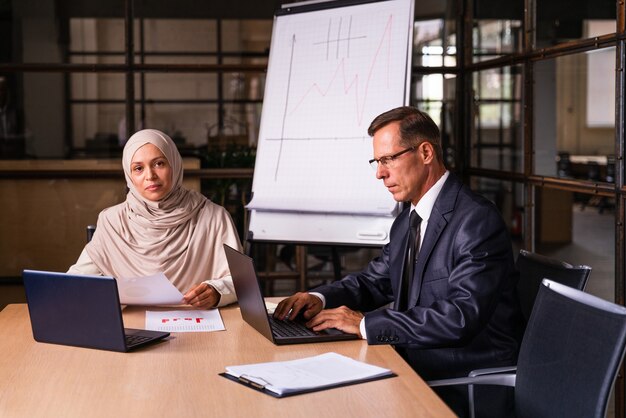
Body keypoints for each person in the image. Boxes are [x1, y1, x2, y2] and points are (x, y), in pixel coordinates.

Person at [274, 106, 524, 416]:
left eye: (388, 159)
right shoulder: (409, 218)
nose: (379, 173)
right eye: (377, 162)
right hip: (417, 360)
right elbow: (375, 280)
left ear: (426, 152)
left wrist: (365, 324)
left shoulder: (476, 220)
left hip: (463, 377)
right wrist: (319, 297)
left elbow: (460, 316)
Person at [68, 129, 242, 309]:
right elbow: (78, 279)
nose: (150, 176)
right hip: (133, 326)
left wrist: (217, 291)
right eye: (138, 168)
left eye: (159, 163)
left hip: (197, 323)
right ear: (129, 176)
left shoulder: (213, 217)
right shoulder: (112, 221)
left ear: (174, 164)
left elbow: (241, 281)